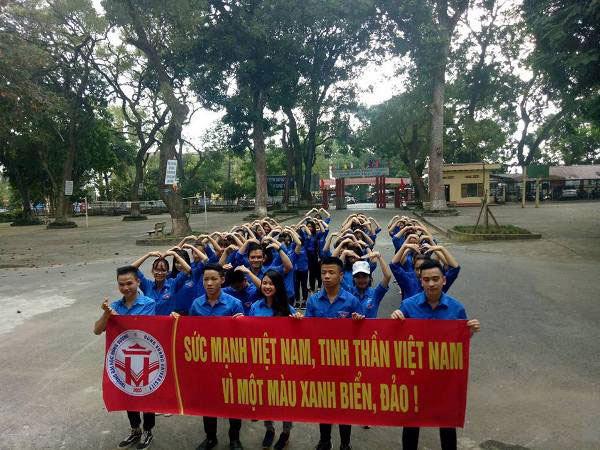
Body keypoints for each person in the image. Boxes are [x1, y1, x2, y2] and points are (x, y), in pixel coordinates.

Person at [390, 260, 480, 450]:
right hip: (415, 376)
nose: (431, 284)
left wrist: (469, 331)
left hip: (444, 377)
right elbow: (395, 339)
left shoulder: (456, 308)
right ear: (420, 281)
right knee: (412, 423)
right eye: (427, 279)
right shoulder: (407, 306)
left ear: (444, 280)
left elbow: (460, 343)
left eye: (435, 279)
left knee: (447, 424)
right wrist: (395, 318)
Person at [173, 263, 245, 450]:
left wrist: (241, 324)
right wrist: (177, 322)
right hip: (206, 363)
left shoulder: (234, 304)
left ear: (222, 280)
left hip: (230, 361)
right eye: (206, 279)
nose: (210, 283)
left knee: (233, 401)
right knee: (208, 401)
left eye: (214, 279)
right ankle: (211, 438)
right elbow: (190, 332)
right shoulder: (196, 304)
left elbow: (243, 335)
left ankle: (234, 438)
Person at [304, 256, 365, 450]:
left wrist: (358, 322)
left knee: (344, 405)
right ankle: (324, 440)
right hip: (321, 362)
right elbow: (307, 330)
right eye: (323, 273)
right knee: (325, 403)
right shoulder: (313, 301)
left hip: (344, 363)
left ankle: (345, 443)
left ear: (341, 275)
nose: (327, 276)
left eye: (331, 272)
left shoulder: (352, 300)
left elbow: (363, 332)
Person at [93, 266, 156, 450]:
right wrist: (106, 314)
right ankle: (135, 429)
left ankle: (148, 430)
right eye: (121, 284)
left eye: (129, 283)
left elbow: (136, 331)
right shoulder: (115, 306)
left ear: (138, 282)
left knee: (147, 395)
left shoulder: (148, 303)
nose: (126, 287)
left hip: (146, 357)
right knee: (128, 394)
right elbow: (97, 330)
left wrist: (115, 316)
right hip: (123, 358)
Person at [248, 270, 303, 449]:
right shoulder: (255, 307)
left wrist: (299, 320)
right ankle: (269, 429)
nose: (267, 286)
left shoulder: (289, 309)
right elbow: (247, 333)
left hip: (284, 363)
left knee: (285, 399)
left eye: (271, 283)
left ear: (278, 286)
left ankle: (286, 432)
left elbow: (301, 334)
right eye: (264, 283)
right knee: (266, 398)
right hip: (262, 362)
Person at [350, 251, 392, 318]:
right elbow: (336, 274)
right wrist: (344, 253)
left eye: (364, 276)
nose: (361, 280)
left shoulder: (375, 293)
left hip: (371, 328)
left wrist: (379, 256)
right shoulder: (348, 292)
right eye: (358, 277)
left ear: (370, 278)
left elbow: (388, 276)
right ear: (353, 278)